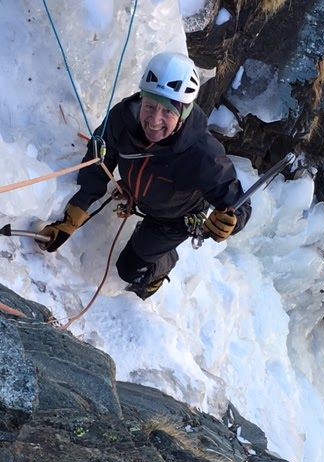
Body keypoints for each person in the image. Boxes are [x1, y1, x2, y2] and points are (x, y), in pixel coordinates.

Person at [38, 51, 251, 299]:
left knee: (129, 270)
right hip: (139, 191)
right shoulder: (122, 119)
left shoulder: (203, 154)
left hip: (173, 219)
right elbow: (97, 164)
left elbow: (238, 202)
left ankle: (162, 265)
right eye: (149, 105)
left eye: (168, 112)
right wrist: (71, 219)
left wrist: (231, 222)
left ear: (183, 113)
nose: (154, 120)